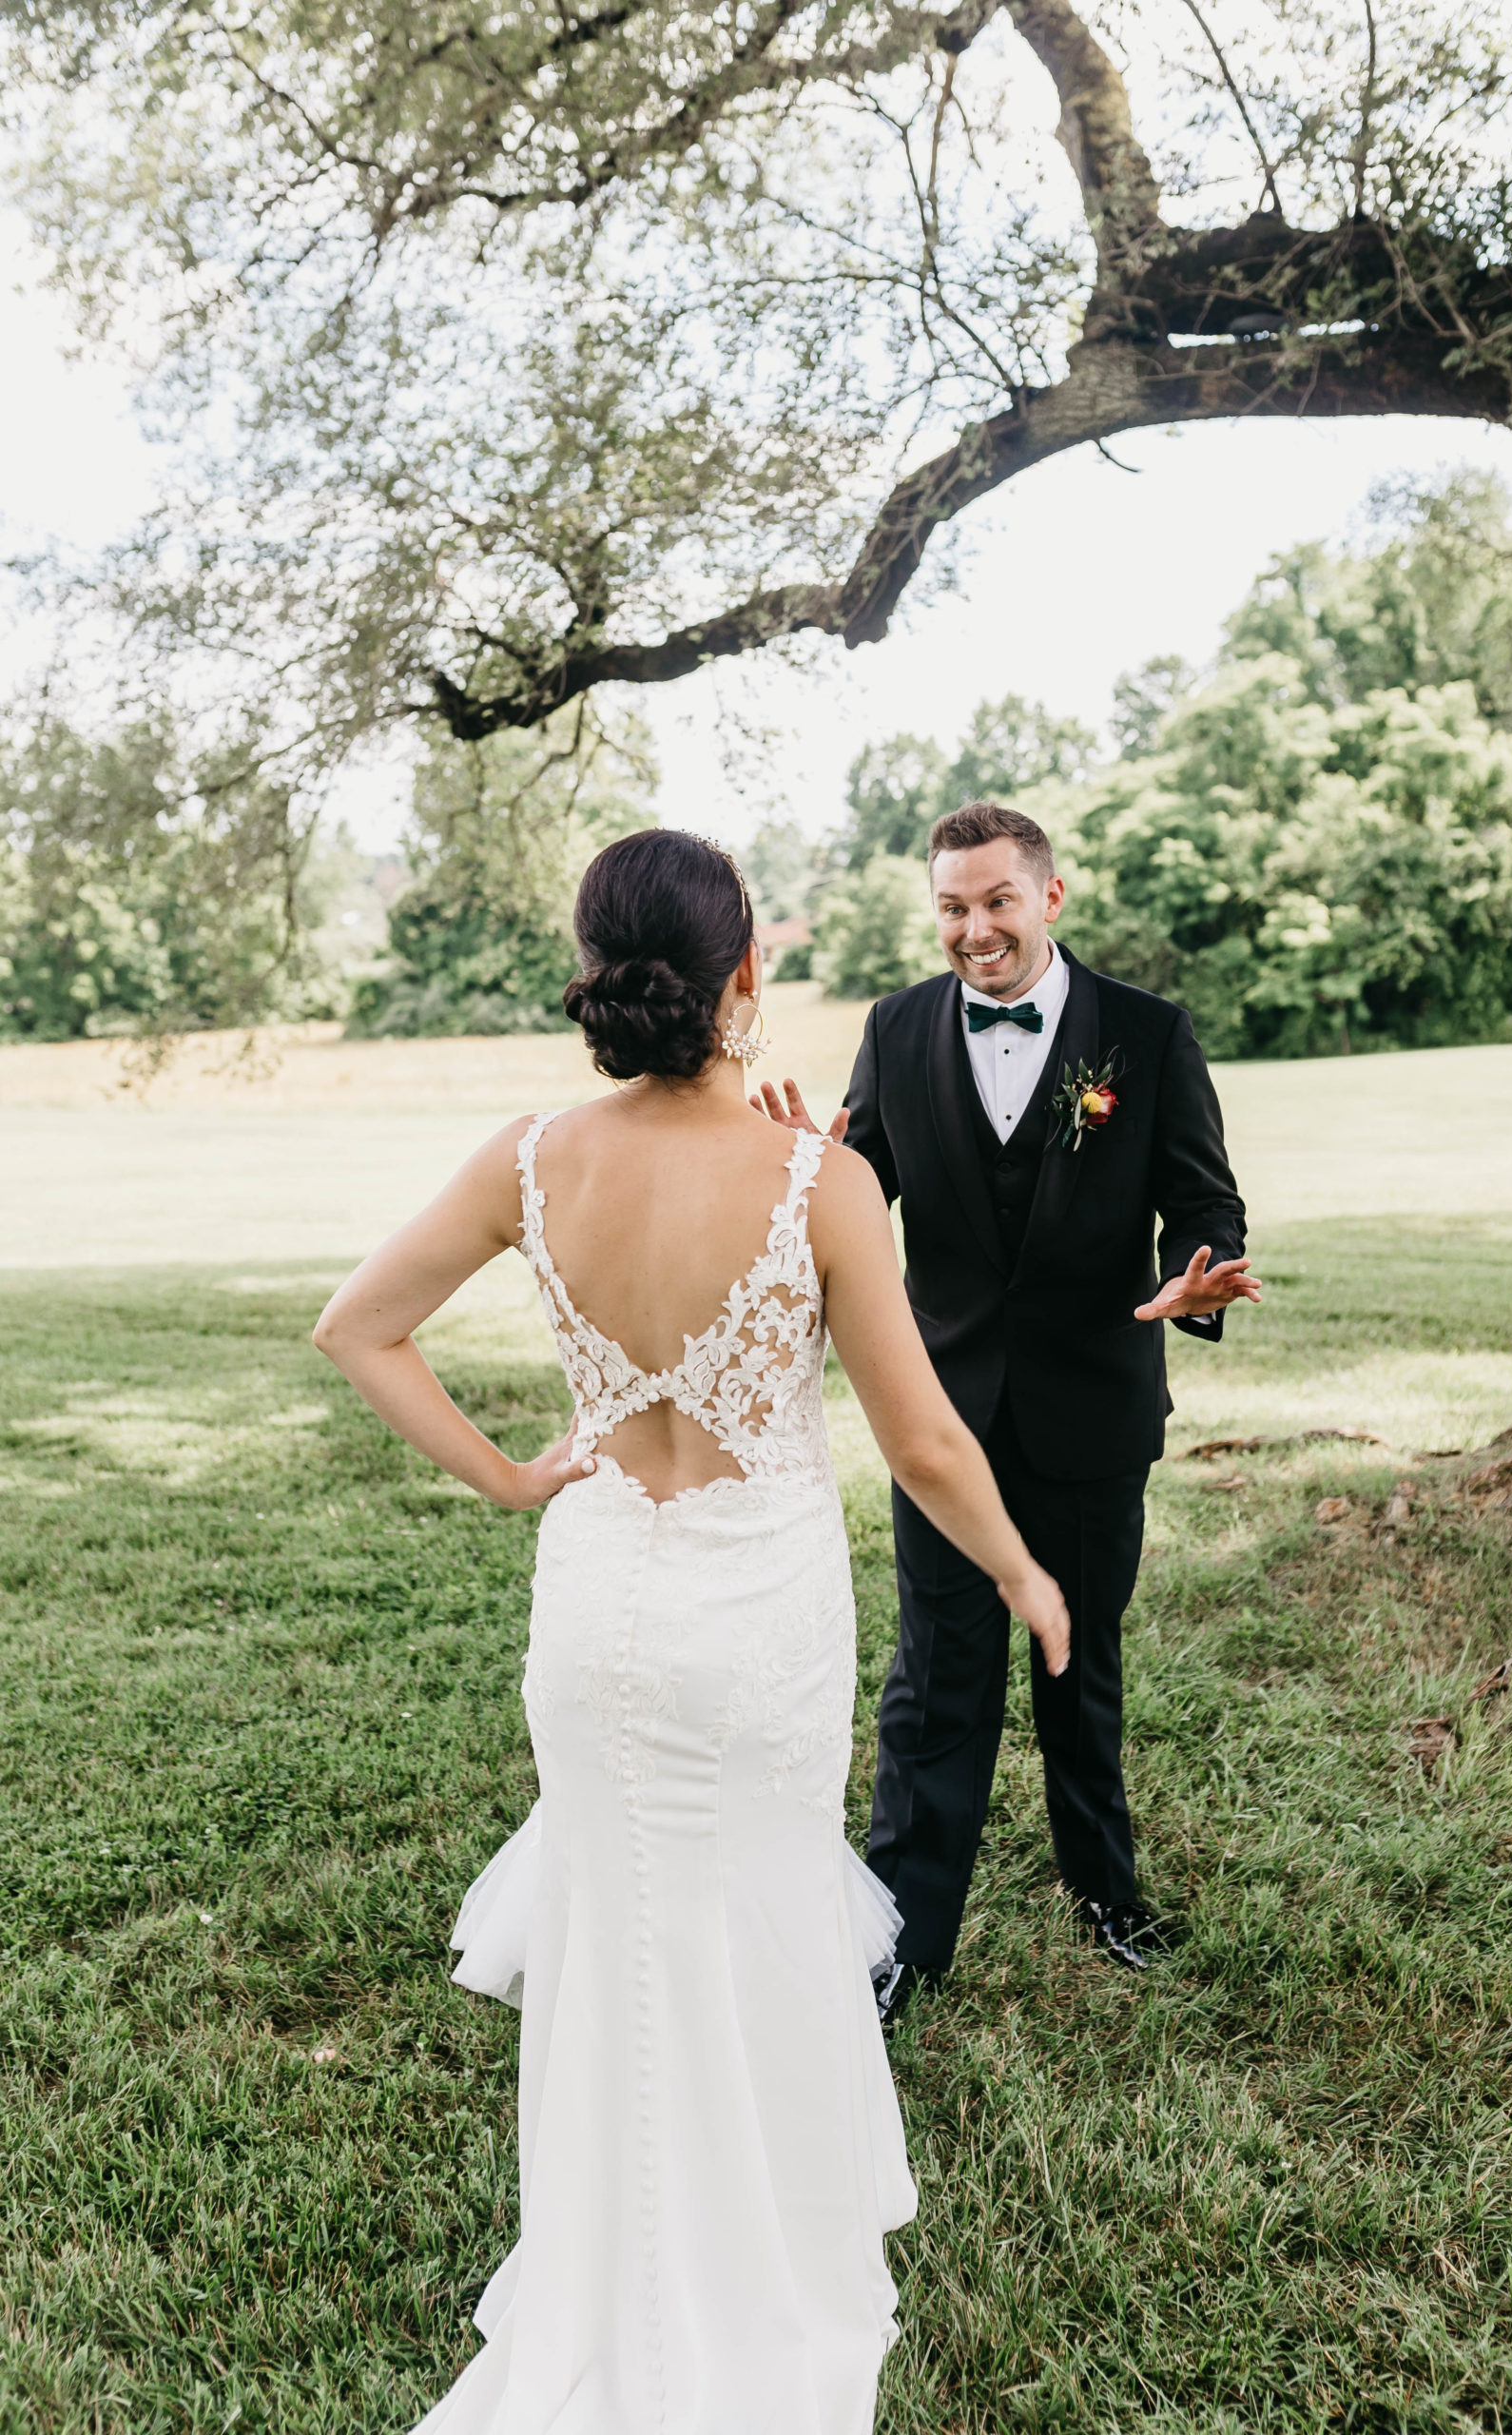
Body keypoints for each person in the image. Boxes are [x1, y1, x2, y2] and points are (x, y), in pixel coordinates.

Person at [312, 828, 1070, 2435]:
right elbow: (926, 1444)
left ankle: (605, 2266)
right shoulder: (820, 1182)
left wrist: (512, 1479)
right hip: (757, 1619)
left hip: (594, 1607)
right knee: (758, 1918)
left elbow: (357, 1327)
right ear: (745, 972)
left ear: (600, 974)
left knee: (617, 1933)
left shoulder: (531, 1159)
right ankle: (755, 2258)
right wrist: (1022, 1573)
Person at [754, 800, 1258, 2014]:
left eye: (997, 901)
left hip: (1094, 1409)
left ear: (1050, 896)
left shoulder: (1147, 1033)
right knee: (937, 1679)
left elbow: (1203, 1198)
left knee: (1081, 1665)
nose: (974, 928)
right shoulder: (896, 1027)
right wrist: (805, 1173)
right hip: (942, 1420)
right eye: (952, 906)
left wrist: (1194, 1275)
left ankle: (1106, 1895)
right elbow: (860, 1190)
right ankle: (903, 1939)